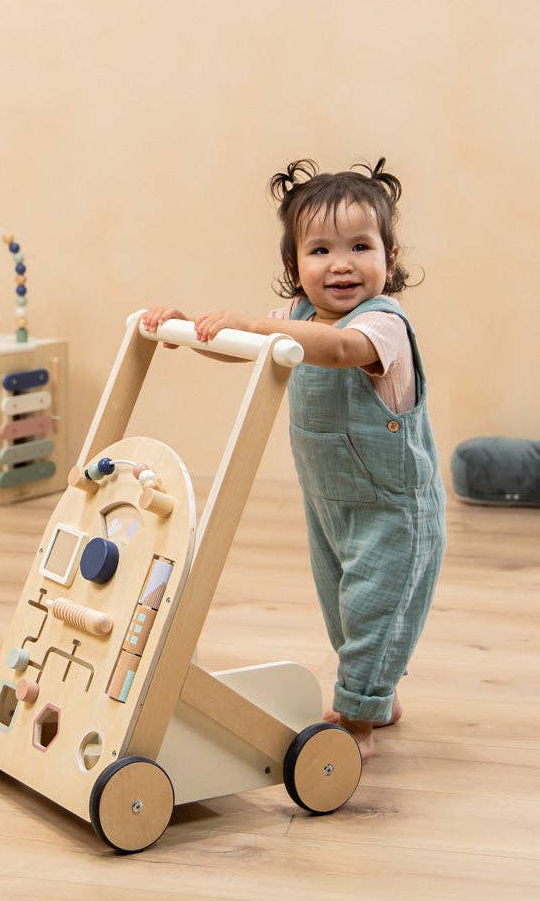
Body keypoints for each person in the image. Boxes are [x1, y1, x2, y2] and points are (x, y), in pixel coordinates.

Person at [142, 157, 446, 762]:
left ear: (389, 259)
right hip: (330, 503)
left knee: (373, 610)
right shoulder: (295, 319)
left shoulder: (382, 325)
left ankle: (356, 721)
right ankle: (376, 696)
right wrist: (190, 332)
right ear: (294, 267)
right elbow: (247, 346)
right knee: (344, 613)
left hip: (393, 509)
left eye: (361, 246)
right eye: (321, 250)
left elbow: (338, 349)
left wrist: (258, 326)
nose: (342, 264)